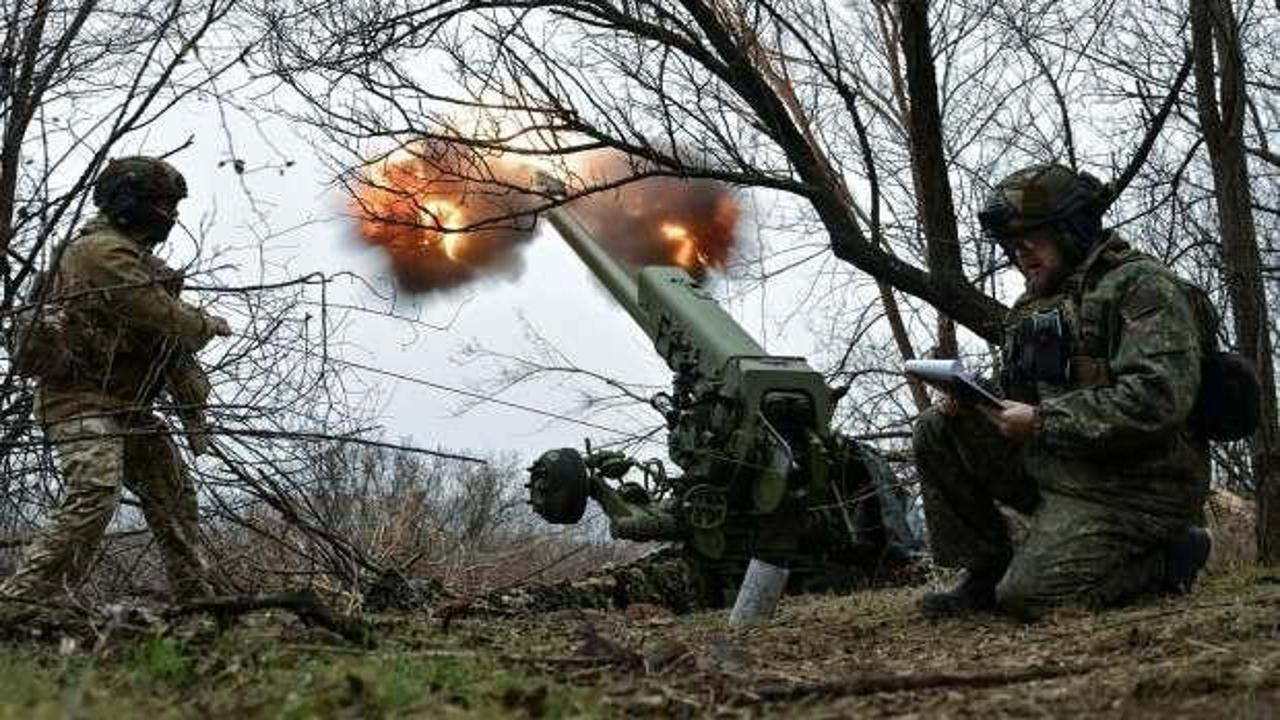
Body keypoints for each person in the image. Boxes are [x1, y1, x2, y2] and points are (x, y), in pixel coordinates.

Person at [913, 163, 1212, 620]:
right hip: (1062, 465)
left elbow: (1156, 400)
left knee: (1030, 598)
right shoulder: (1034, 303)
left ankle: (1169, 557)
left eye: (1031, 237)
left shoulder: (1142, 287)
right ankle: (986, 571)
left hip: (1137, 489)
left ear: (1070, 230)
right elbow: (1021, 394)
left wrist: (1042, 422)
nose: (1020, 251)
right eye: (1012, 243)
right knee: (937, 427)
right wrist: (976, 400)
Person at [0, 156, 230, 623]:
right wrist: (203, 324)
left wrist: (191, 405)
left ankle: (200, 605)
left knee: (174, 497)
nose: (171, 215)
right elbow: (150, 309)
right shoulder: (99, 252)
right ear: (130, 203)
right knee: (95, 492)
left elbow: (160, 335)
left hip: (128, 406)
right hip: (78, 400)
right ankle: (17, 604)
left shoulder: (136, 257)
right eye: (162, 203)